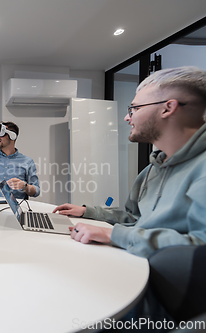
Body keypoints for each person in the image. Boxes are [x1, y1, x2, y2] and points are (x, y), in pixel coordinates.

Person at [53, 66, 206, 258]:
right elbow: (136, 219)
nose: (127, 117)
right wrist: (88, 212)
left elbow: (200, 246)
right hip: (135, 261)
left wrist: (114, 234)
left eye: (135, 108)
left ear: (168, 108)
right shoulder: (152, 169)